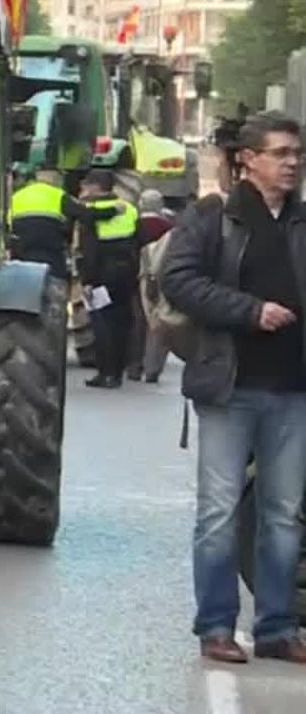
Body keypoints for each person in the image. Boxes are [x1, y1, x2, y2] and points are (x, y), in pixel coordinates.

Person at [162, 113, 306, 665]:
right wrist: (250, 312)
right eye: (281, 153)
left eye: (297, 154)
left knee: (283, 514)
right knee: (219, 512)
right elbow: (178, 277)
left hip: (293, 388)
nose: (292, 162)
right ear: (248, 159)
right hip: (230, 385)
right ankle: (217, 626)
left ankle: (276, 627)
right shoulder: (212, 216)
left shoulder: (300, 219)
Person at [77, 169, 139, 388]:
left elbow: (90, 250)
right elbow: (137, 242)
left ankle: (106, 373)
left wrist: (87, 280)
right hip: (126, 274)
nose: (83, 189)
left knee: (101, 323)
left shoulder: (90, 211)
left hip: (102, 275)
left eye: (86, 185)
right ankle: (119, 372)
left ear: (96, 187)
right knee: (121, 323)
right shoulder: (129, 209)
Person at [7, 166, 123, 281]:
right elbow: (85, 214)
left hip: (22, 256)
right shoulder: (58, 195)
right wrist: (113, 210)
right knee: (53, 290)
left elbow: (6, 226)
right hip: (51, 255)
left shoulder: (16, 196)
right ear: (55, 178)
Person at [126, 188, 176, 383]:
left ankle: (134, 367)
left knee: (137, 323)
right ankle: (153, 369)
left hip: (138, 279)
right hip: (163, 281)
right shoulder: (169, 228)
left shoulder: (133, 226)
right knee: (158, 323)